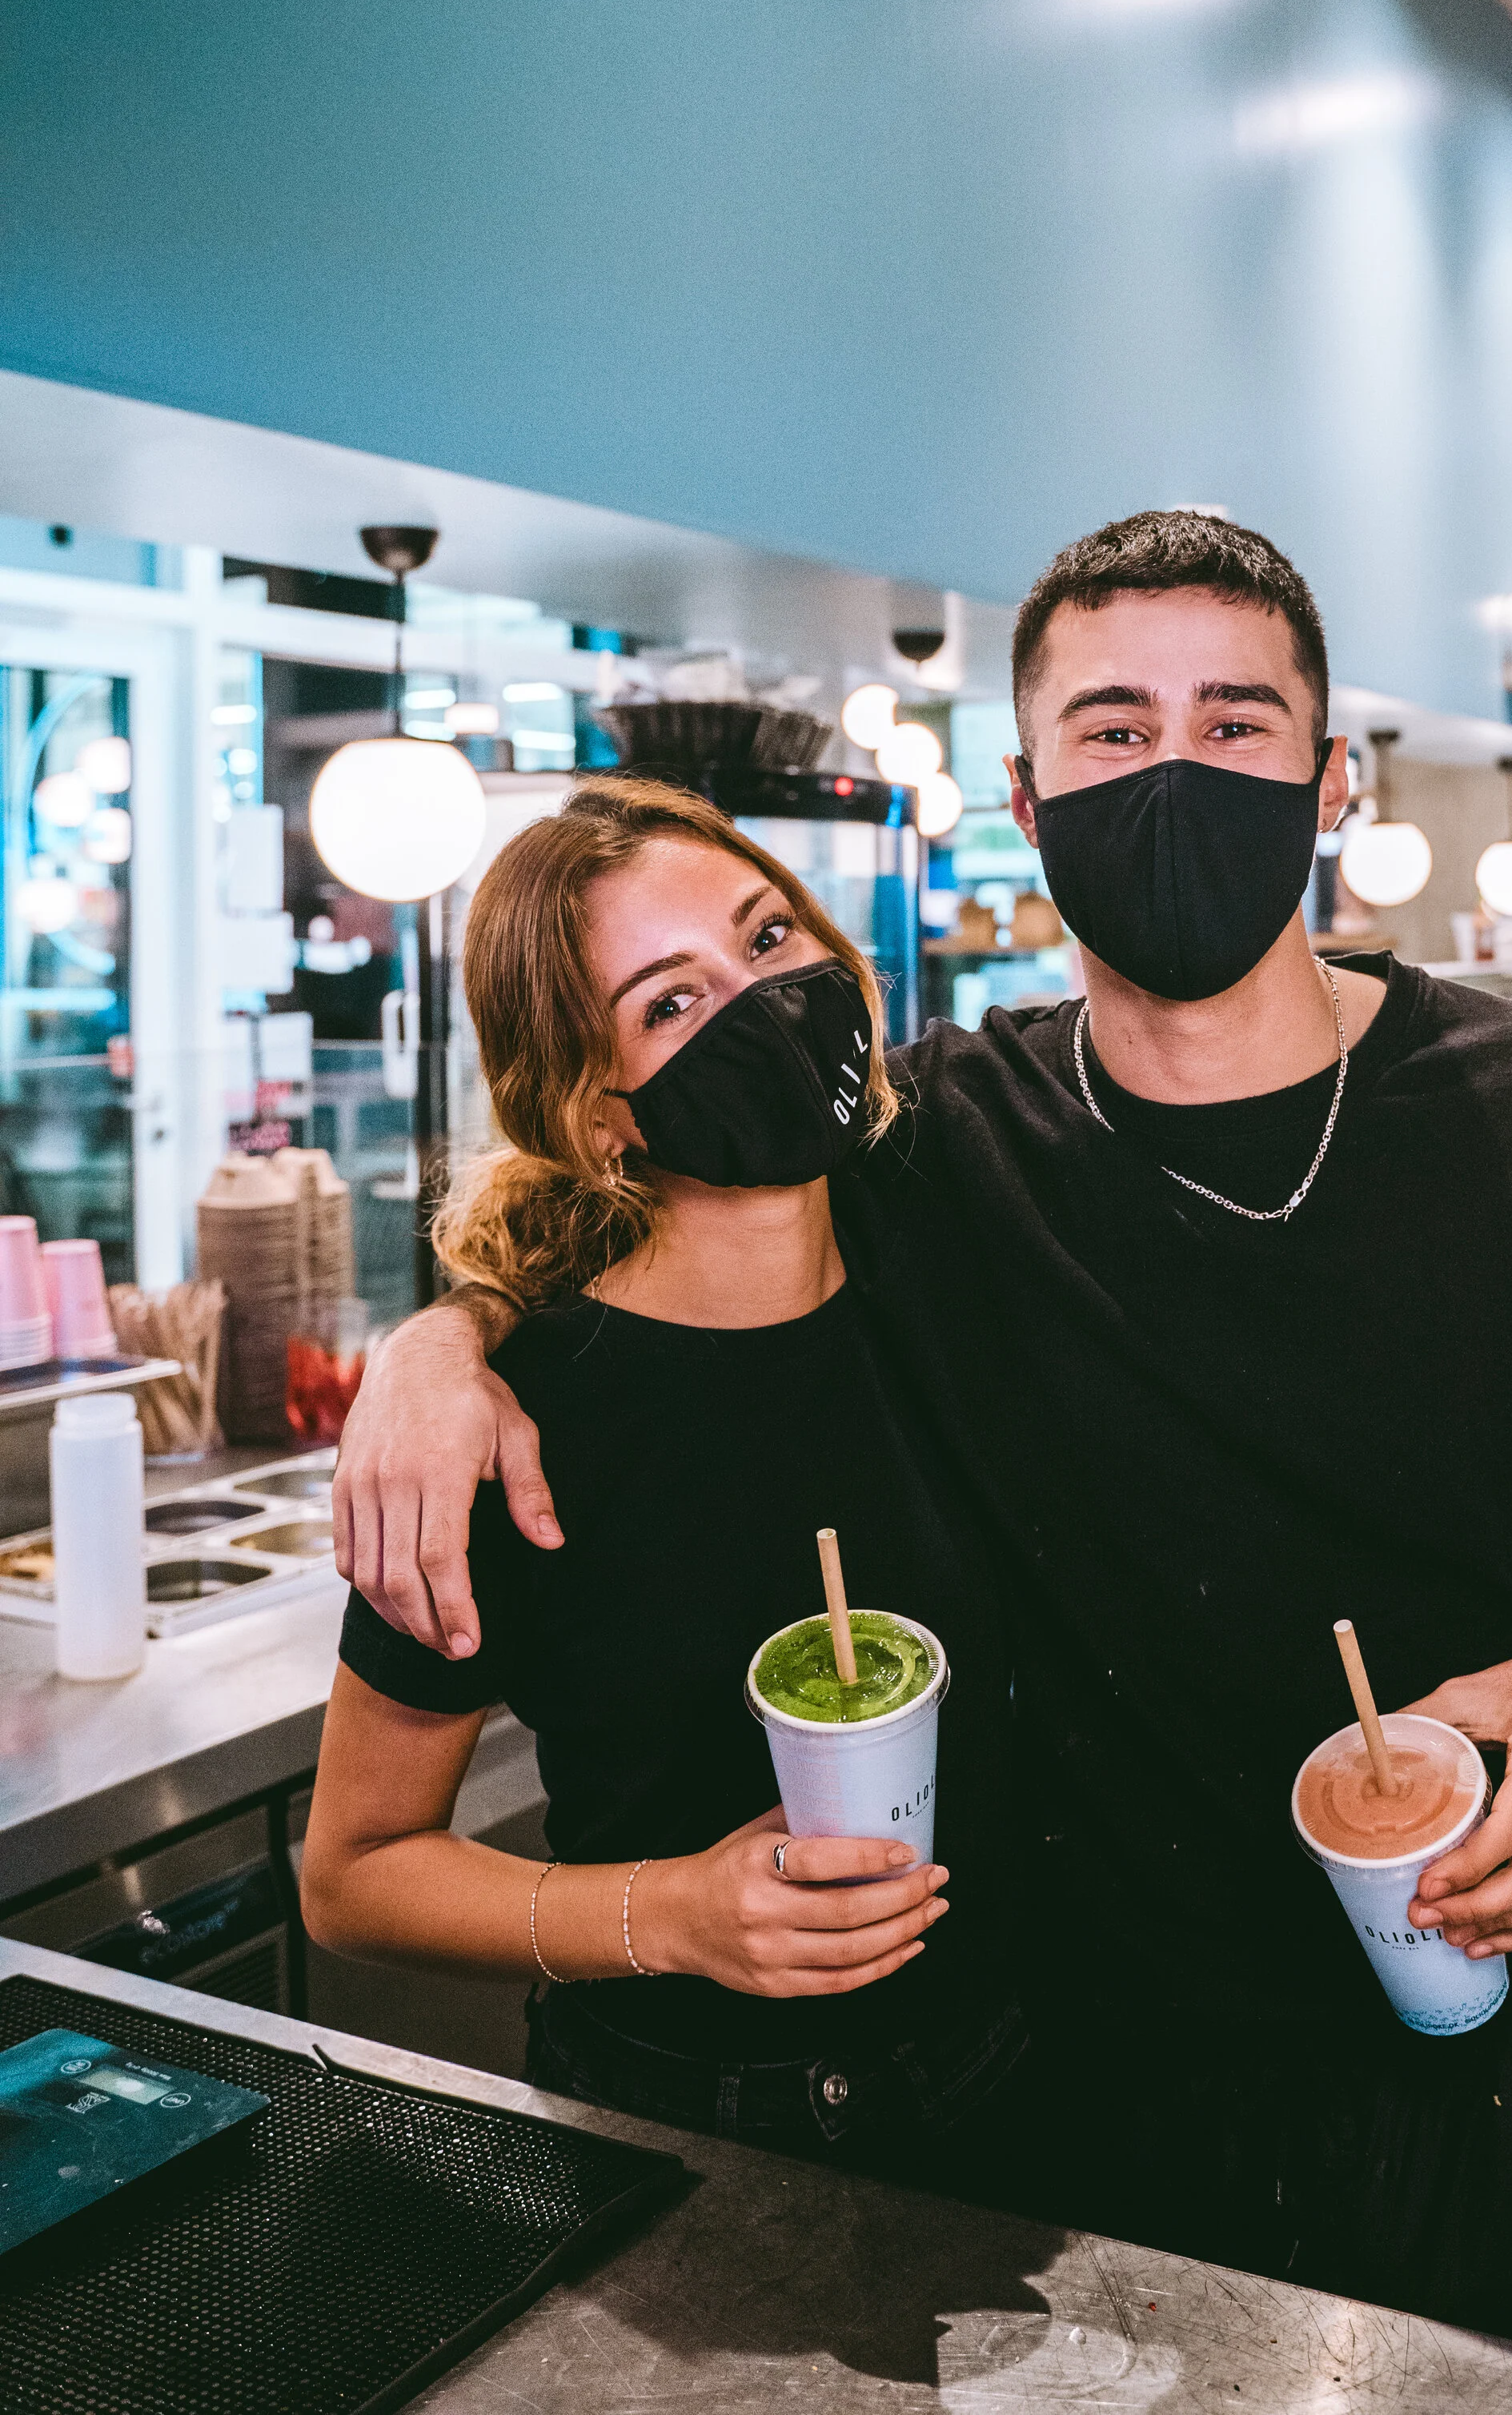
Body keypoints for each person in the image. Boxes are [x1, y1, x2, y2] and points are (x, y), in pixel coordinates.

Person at [333, 510, 1512, 2384]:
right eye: (1110, 728)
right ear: (1025, 790)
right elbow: (657, 1225)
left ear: (1329, 778)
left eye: (1233, 723)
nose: (1171, 771)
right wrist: (438, 1342)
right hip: (1116, 2096)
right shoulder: (939, 1145)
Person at [302, 777, 1027, 2179]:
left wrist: (448, 1320)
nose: (761, 1004)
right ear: (601, 1113)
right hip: (674, 2117)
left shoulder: (944, 1250)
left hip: (1007, 2073)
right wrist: (676, 1912)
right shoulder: (512, 1427)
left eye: (767, 940)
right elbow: (351, 1871)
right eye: (669, 1003)